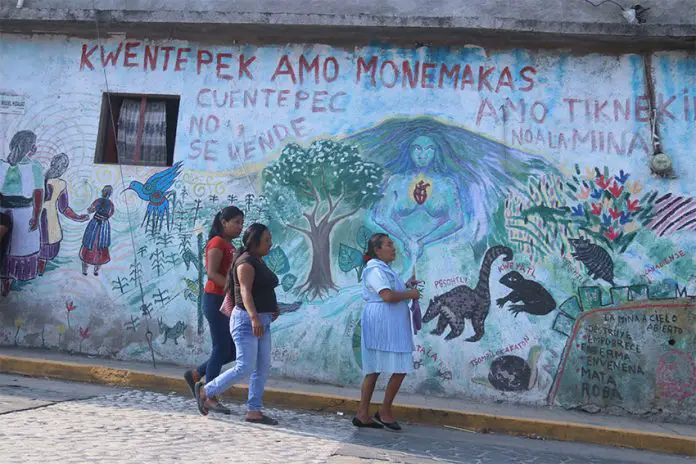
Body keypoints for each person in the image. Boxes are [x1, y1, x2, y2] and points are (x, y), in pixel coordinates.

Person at [195, 223, 280, 425]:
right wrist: (253, 318)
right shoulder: (245, 263)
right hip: (247, 322)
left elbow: (263, 289)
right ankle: (207, 390)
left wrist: (272, 308)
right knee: (244, 367)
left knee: (262, 367)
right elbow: (245, 292)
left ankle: (254, 410)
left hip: (263, 321)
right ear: (255, 242)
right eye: (267, 240)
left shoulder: (258, 260)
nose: (270, 243)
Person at [353, 233, 420, 431]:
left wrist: (407, 286)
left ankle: (367, 413)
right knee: (386, 368)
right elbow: (387, 295)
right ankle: (380, 411)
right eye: (389, 245)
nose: (393, 248)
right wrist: (410, 294)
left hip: (390, 324)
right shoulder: (374, 270)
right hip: (383, 325)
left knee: (383, 368)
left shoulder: (384, 270)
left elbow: (391, 291)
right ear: (377, 250)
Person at [184, 206, 244, 414]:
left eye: (241, 223)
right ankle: (208, 395)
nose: (240, 227)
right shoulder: (217, 243)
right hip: (216, 299)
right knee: (221, 347)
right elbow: (212, 273)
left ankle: (196, 374)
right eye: (236, 222)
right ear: (224, 222)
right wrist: (231, 289)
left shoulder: (230, 245)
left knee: (233, 350)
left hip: (227, 301)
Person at [0, 130, 44, 296]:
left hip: (3, 212)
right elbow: (38, 194)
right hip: (24, 213)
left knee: (6, 247)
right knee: (18, 248)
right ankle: (9, 281)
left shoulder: (2, 165)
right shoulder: (34, 167)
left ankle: (5, 282)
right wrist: (36, 216)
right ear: (31, 147)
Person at [39, 153, 89, 275]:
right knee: (45, 250)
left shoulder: (39, 178)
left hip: (35, 216)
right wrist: (78, 217)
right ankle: (39, 271)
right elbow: (64, 208)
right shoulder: (60, 184)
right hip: (50, 219)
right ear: (64, 168)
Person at [79, 185, 115, 276]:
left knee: (89, 243)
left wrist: (90, 210)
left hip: (95, 224)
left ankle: (84, 270)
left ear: (103, 192)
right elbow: (110, 214)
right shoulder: (111, 204)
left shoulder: (98, 201)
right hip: (104, 226)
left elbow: (90, 210)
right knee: (101, 246)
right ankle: (96, 271)